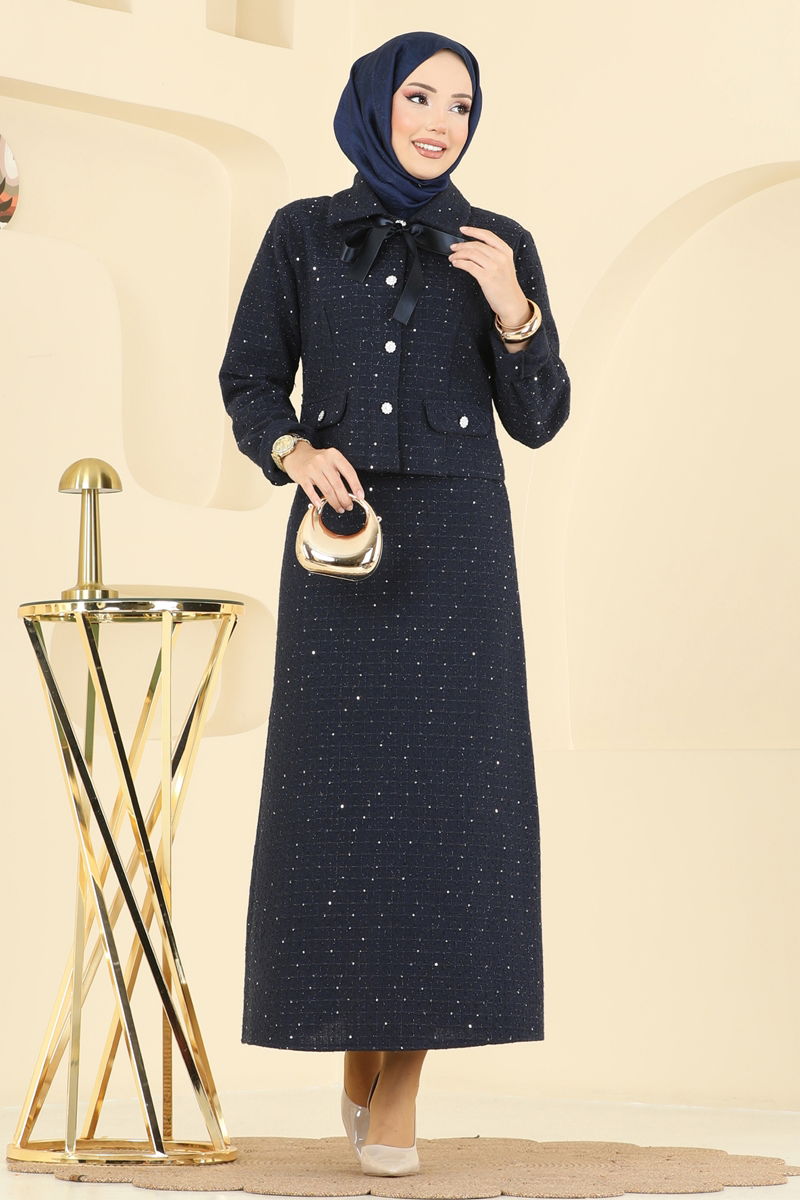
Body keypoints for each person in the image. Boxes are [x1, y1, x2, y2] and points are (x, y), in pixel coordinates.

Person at [218, 29, 570, 1179]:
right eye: (419, 97)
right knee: (337, 811)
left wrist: (512, 308)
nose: (438, 121)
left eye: (459, 105)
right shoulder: (300, 233)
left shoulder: (497, 243)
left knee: (447, 813)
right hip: (342, 545)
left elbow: (539, 417)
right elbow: (248, 377)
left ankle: (405, 1075)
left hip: (460, 555)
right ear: (375, 104)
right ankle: (354, 1042)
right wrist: (291, 450)